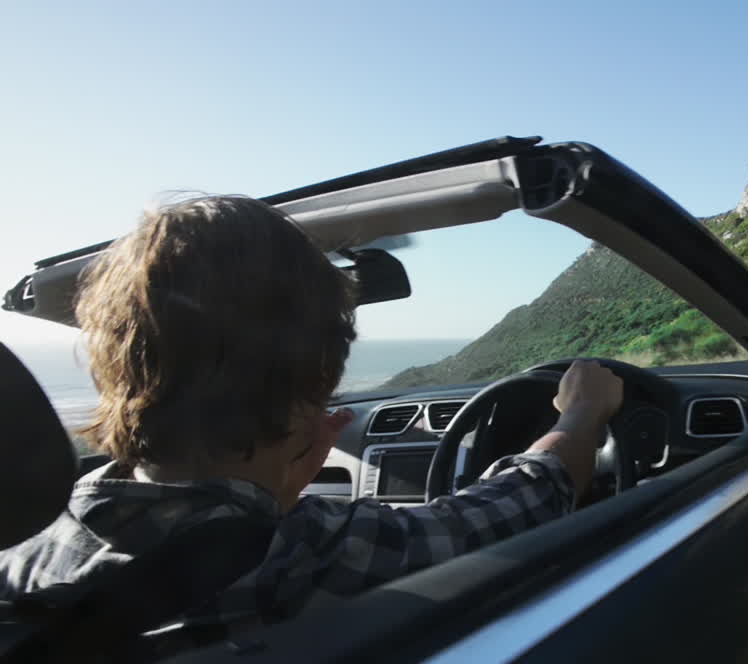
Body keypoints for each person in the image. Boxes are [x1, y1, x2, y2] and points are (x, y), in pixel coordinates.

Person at [0, 195, 622, 630]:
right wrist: (579, 418)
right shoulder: (299, 551)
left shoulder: (30, 551)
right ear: (317, 376)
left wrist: (269, 487)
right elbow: (514, 508)